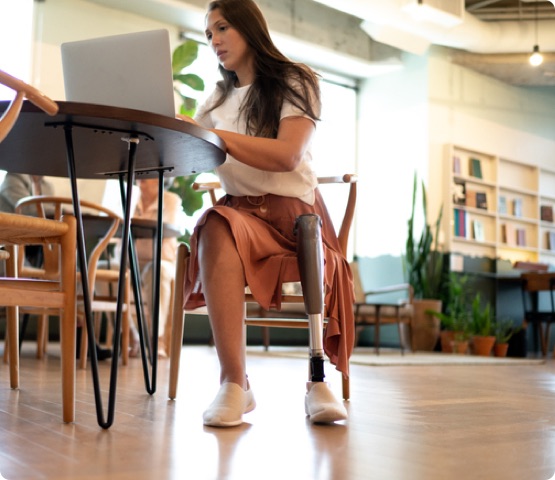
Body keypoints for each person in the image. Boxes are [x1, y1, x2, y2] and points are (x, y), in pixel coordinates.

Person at [177, 0, 355, 428]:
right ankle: (234, 385)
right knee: (215, 222)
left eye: (222, 28)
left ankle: (318, 380)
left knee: (302, 227)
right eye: (208, 34)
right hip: (240, 219)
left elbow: (287, 156)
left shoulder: (296, 79)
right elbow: (192, 152)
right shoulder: (216, 99)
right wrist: (172, 131)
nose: (214, 41)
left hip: (296, 219)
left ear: (248, 26)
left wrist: (212, 135)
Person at [132, 177, 185, 358]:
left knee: (156, 270)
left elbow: (166, 228)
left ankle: (157, 337)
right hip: (131, 262)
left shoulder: (170, 200)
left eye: (149, 172)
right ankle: (131, 336)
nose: (142, 176)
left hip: (162, 260)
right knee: (103, 271)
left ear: (161, 179)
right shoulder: (130, 198)